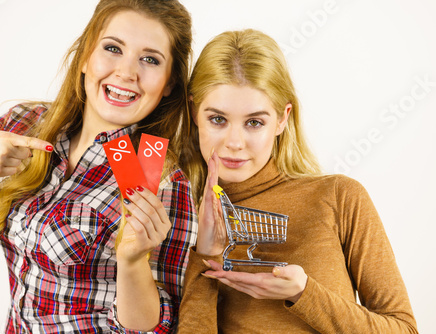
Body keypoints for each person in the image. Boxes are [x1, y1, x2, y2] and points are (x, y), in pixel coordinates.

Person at [0, 0, 198, 333]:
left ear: (169, 84)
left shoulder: (160, 177)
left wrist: (133, 263)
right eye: (113, 48)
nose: (126, 72)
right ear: (86, 56)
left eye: (150, 59)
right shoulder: (26, 124)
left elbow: (156, 328)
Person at [177, 29, 418, 333]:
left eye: (254, 122)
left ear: (282, 119)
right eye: (218, 119)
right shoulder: (178, 213)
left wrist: (304, 293)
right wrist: (205, 256)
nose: (234, 142)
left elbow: (404, 328)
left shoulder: (339, 196)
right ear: (194, 112)